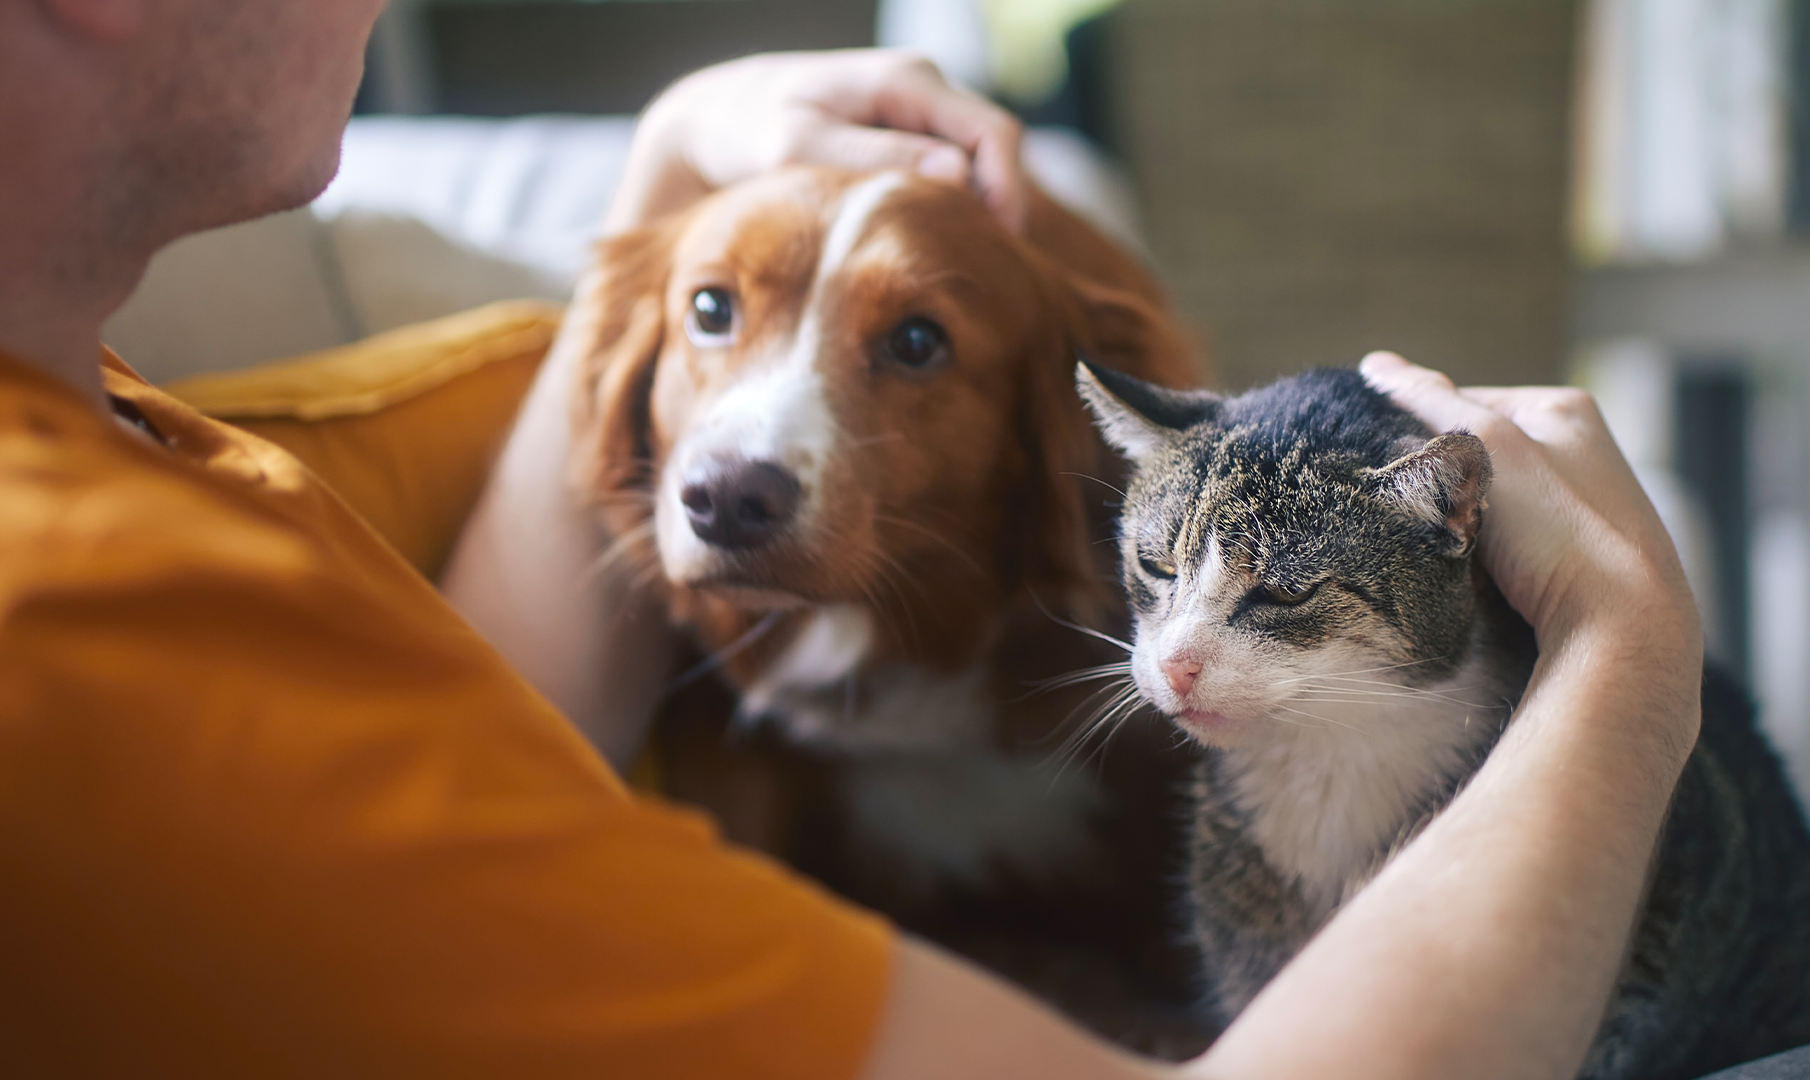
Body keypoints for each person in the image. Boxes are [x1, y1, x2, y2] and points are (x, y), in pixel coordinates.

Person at [0, 2, 1709, 1077]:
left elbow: (492, 747)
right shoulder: (83, 633)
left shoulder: (93, 423)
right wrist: (1625, 655)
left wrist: (678, 162)